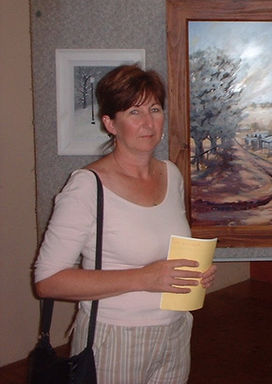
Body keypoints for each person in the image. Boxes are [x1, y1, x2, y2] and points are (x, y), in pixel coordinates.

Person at [34, 64, 217, 384]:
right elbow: (47, 281)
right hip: (115, 338)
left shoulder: (171, 174)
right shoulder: (87, 186)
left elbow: (163, 251)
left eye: (155, 109)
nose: (148, 122)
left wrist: (193, 275)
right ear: (110, 124)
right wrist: (144, 278)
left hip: (175, 331)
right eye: (134, 112)